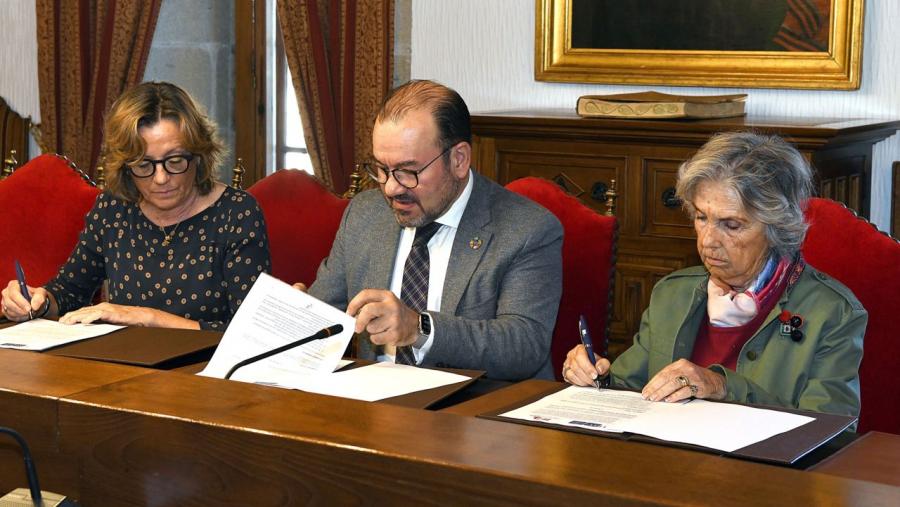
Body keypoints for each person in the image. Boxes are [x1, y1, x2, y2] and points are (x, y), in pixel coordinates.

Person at [563, 132, 866, 418]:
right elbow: (627, 389)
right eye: (700, 217)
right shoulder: (672, 294)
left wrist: (723, 387)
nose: (707, 241)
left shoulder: (832, 312)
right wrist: (594, 375)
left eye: (731, 225)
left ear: (778, 227)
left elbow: (830, 432)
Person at [305, 80, 563, 380]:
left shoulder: (526, 229)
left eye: (408, 171)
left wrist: (418, 328)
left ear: (459, 160)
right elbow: (325, 312)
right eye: (381, 169)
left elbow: (523, 346)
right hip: (372, 409)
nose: (390, 188)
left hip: (475, 412)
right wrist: (297, 312)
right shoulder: (365, 214)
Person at [1, 81, 270, 330]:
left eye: (175, 161)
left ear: (198, 155)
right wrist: (38, 302)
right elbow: (70, 292)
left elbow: (250, 333)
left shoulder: (237, 213)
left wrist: (147, 317)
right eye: (144, 165)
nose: (161, 178)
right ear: (126, 167)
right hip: (126, 367)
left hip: (205, 372)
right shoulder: (114, 209)